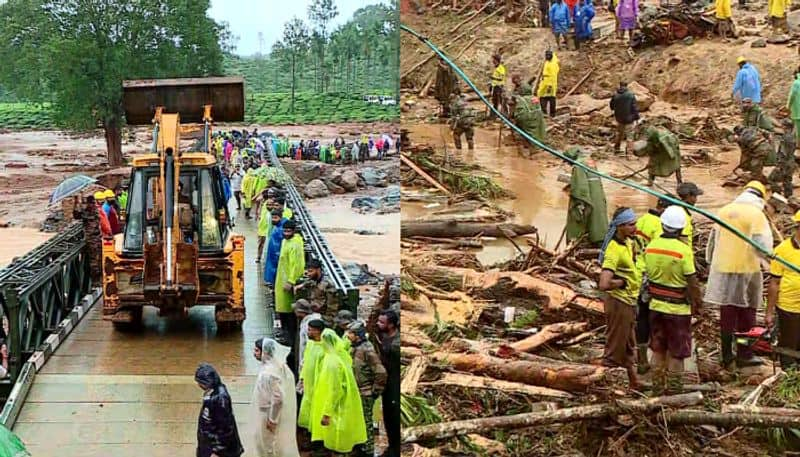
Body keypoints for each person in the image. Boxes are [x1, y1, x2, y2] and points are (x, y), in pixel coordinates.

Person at [705, 181, 773, 369]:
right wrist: (770, 262)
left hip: (724, 269)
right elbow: (764, 246)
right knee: (746, 317)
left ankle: (727, 355)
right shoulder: (756, 214)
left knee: (727, 315)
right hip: (747, 270)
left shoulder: (724, 210)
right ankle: (744, 353)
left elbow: (712, 242)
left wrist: (712, 263)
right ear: (759, 197)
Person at [642, 206, 702, 394]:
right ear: (681, 229)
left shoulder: (651, 247)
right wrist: (698, 304)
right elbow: (692, 282)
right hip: (678, 311)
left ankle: (657, 389)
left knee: (658, 349)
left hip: (656, 306)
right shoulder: (683, 251)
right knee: (677, 352)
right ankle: (675, 392)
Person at [598, 207, 641, 389]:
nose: (635, 228)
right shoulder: (614, 249)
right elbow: (604, 283)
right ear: (620, 226)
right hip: (619, 302)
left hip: (629, 302)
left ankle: (634, 382)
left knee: (629, 344)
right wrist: (622, 282)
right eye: (630, 225)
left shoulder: (629, 243)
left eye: (635, 223)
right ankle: (601, 385)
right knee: (614, 348)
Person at [309, 329, 367, 455]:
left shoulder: (332, 363)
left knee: (337, 443)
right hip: (341, 406)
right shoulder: (339, 357)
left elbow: (335, 390)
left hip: (338, 409)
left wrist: (327, 413)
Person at [248, 338, 299, 457]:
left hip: (267, 413)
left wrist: (272, 419)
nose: (254, 353)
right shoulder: (276, 366)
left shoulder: (269, 373)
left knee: (267, 444)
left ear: (264, 352)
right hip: (268, 412)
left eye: (256, 351)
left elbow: (278, 399)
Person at [346, 320, 388, 457]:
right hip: (356, 392)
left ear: (357, 335)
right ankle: (360, 446)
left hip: (365, 392)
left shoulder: (367, 350)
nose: (348, 336)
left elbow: (381, 372)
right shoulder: (354, 348)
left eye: (350, 333)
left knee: (366, 422)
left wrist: (375, 391)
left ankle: (368, 450)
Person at [767, 210, 800, 368]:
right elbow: (774, 283)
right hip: (789, 307)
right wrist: (769, 312)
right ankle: (789, 375)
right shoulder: (782, 250)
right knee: (789, 343)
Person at [195, 363, 244, 457]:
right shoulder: (211, 393)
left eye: (201, 382)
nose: (199, 385)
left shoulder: (220, 398)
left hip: (219, 450)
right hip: (208, 444)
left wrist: (217, 451)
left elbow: (225, 428)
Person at [275, 220, 305, 367]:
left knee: (289, 314)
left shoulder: (295, 244)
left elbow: (297, 264)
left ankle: (291, 344)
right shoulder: (285, 242)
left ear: (293, 231)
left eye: (288, 231)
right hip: (281, 280)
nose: (286, 234)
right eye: (284, 231)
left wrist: (291, 281)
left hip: (286, 282)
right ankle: (287, 337)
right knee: (283, 311)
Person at [565, 147, 609, 245]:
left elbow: (581, 190)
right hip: (598, 199)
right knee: (599, 223)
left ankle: (577, 245)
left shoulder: (578, 165)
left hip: (589, 200)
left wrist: (579, 205)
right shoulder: (590, 162)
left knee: (584, 223)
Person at [296, 319, 325, 451]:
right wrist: (302, 379)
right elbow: (306, 362)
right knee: (307, 415)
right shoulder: (310, 345)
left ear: (318, 331)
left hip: (318, 389)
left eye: (310, 330)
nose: (308, 332)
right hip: (308, 387)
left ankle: (317, 444)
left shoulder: (323, 349)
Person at [377, 309, 400, 457]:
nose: (379, 324)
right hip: (386, 383)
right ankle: (391, 445)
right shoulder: (383, 336)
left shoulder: (396, 344)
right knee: (386, 414)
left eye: (382, 322)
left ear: (391, 325)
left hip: (394, 382)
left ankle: (396, 448)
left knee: (394, 416)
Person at [294, 258, 338, 324]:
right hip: (313, 311)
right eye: (307, 272)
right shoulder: (314, 280)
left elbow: (332, 306)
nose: (308, 274)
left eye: (311, 271)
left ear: (318, 270)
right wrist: (301, 285)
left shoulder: (328, 284)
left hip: (322, 317)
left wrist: (327, 321)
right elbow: (309, 282)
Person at [767, 118, 797, 197]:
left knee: (772, 179)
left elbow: (783, 154)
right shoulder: (792, 136)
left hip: (784, 164)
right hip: (791, 162)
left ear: (785, 127)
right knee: (787, 181)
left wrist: (779, 165)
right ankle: (789, 197)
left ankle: (777, 196)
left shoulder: (785, 138)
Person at [610, 81, 639, 155]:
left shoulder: (615, 95)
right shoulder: (630, 95)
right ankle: (629, 154)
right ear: (627, 86)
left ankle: (616, 150)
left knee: (619, 134)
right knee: (630, 136)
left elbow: (612, 107)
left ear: (620, 86)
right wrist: (636, 117)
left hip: (619, 119)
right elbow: (634, 107)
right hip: (629, 119)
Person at [293, 299, 322, 374]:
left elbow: (309, 345)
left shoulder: (308, 326)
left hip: (308, 362)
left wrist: (303, 364)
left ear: (300, 312)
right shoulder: (308, 321)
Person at [264, 209, 288, 287]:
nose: (273, 220)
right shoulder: (278, 226)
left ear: (280, 217)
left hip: (276, 257)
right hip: (273, 255)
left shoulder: (281, 229)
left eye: (275, 218)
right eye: (272, 218)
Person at [676, 182, 702, 250]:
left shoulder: (678, 208)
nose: (696, 200)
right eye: (695, 197)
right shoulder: (683, 216)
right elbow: (683, 239)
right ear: (688, 196)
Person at [537, 50, 560, 118]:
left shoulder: (553, 64)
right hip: (544, 82)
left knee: (550, 98)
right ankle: (544, 113)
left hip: (550, 83)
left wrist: (550, 85)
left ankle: (552, 114)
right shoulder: (547, 62)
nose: (547, 56)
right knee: (543, 97)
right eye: (546, 55)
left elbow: (553, 75)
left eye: (549, 55)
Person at [787, 66, 800, 141]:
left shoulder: (796, 83)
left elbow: (792, 96)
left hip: (798, 111)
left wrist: (788, 106)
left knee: (798, 130)